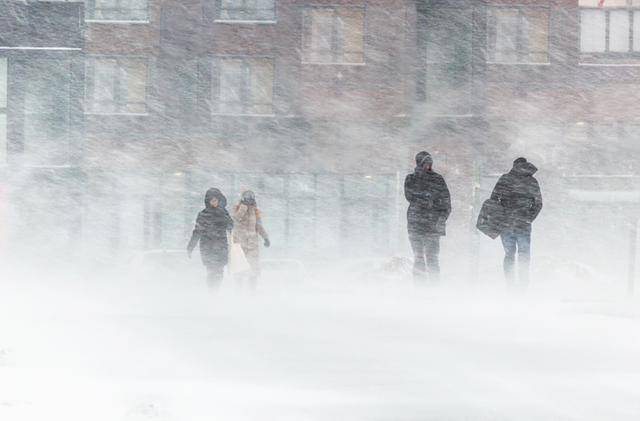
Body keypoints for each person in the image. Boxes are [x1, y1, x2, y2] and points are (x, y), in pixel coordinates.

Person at [490, 157, 543, 291]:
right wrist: (528, 217)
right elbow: (538, 203)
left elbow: (493, 200)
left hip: (506, 224)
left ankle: (510, 284)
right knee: (524, 255)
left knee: (509, 254)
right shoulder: (531, 181)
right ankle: (523, 284)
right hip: (523, 224)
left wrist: (500, 216)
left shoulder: (505, 179)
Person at [404, 151, 451, 284]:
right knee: (418, 257)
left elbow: (446, 203)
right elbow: (410, 196)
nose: (428, 166)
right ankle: (420, 288)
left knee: (432, 258)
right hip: (416, 225)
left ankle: (433, 287)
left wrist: (440, 220)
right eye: (425, 163)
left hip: (432, 226)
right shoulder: (411, 179)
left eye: (429, 163)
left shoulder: (437, 179)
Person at [187, 188, 234, 291]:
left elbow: (230, 226)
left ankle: (214, 290)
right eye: (212, 199)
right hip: (208, 248)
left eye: (216, 199)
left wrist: (224, 216)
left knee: (220, 272)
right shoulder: (203, 214)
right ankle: (212, 292)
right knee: (211, 271)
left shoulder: (223, 213)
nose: (214, 202)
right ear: (208, 201)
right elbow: (197, 232)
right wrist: (190, 247)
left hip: (221, 247)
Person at [231, 187, 270, 291]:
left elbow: (259, 226)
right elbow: (236, 218)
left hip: (252, 246)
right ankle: (237, 292)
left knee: (254, 271)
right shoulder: (236, 208)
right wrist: (243, 207)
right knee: (239, 271)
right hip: (239, 245)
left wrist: (265, 238)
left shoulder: (255, 211)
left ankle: (252, 293)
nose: (251, 201)